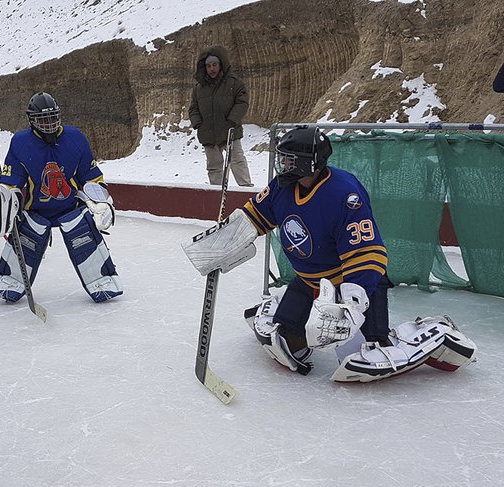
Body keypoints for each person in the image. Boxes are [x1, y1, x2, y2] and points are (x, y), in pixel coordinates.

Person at [183, 125, 477, 382]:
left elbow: (366, 251)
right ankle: (293, 315)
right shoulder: (282, 188)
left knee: (367, 351)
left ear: (309, 163)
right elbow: (255, 217)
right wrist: (222, 244)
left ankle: (426, 333)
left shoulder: (343, 193)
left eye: (288, 159)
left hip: (353, 282)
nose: (282, 165)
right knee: (288, 340)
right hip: (309, 281)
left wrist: (351, 304)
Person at [0, 92, 122, 303]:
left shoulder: (76, 138)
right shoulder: (21, 142)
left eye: (52, 118)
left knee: (85, 232)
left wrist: (101, 202)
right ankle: (8, 281)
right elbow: (11, 182)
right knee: (24, 236)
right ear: (31, 120)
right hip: (35, 211)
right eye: (43, 120)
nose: (49, 124)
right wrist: (10, 202)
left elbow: (91, 177)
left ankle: (103, 281)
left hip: (71, 208)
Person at [188, 47, 252, 187]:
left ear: (221, 64)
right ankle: (216, 193)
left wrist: (231, 121)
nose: (211, 69)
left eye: (214, 65)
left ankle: (245, 189)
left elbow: (242, 102)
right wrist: (198, 123)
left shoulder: (234, 83)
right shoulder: (199, 88)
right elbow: (193, 108)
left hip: (230, 131)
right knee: (214, 166)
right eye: (208, 66)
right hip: (208, 133)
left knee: (237, 161)